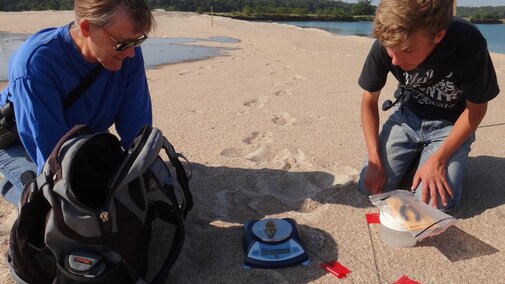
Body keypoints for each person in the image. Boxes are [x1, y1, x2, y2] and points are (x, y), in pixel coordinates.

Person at [0, 0, 155, 205]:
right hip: (18, 140)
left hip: (81, 134)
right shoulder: (35, 64)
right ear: (86, 28)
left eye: (138, 41)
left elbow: (136, 132)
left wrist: (139, 176)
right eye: (122, 43)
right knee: (53, 202)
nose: (131, 53)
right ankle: (13, 185)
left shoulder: (128, 54)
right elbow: (52, 160)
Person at [357, 0, 500, 211]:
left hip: (451, 125)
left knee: (433, 204)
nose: (395, 61)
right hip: (407, 116)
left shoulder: (468, 41)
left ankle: (440, 160)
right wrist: (374, 158)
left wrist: (439, 159)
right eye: (390, 49)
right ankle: (417, 160)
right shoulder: (389, 37)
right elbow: (369, 99)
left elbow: (477, 109)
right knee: (369, 187)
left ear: (438, 36)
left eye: (407, 50)